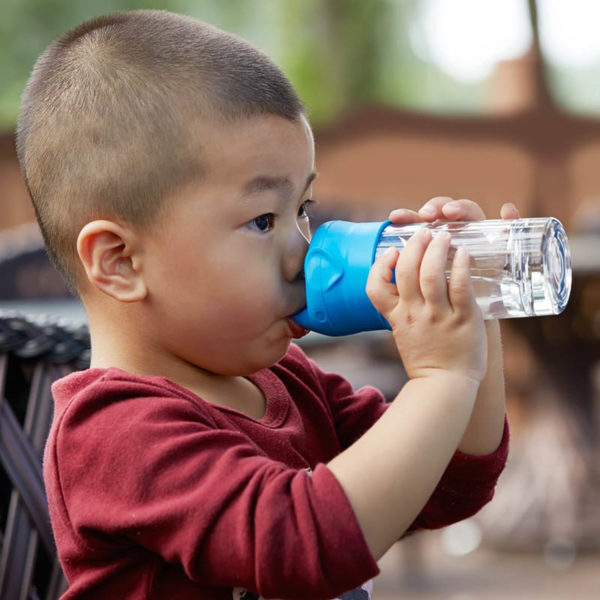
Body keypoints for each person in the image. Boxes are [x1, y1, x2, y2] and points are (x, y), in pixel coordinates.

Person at [16, 10, 516, 600]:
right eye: (262, 220)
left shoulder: (287, 381)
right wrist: (440, 377)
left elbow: (453, 480)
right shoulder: (112, 433)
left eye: (302, 209)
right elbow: (305, 544)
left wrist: (474, 317)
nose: (302, 253)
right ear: (121, 261)